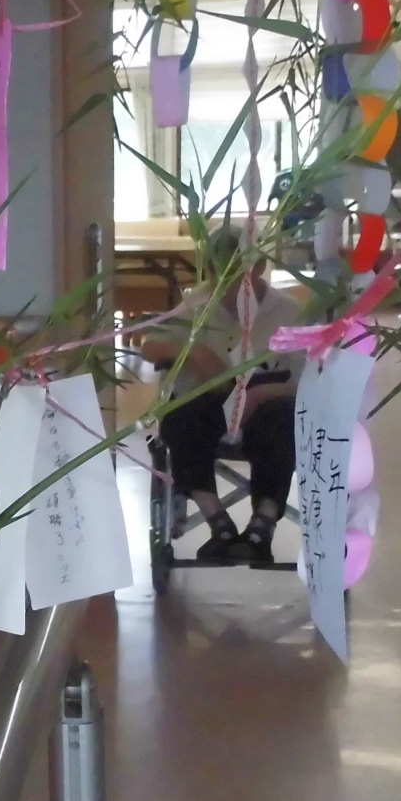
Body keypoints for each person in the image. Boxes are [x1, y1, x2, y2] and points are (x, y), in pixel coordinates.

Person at [140, 238, 304, 564]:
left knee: (284, 422)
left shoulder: (288, 310)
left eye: (239, 271)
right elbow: (148, 345)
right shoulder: (195, 304)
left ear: (259, 267)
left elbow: (308, 378)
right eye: (220, 272)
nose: (228, 281)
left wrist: (256, 394)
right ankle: (218, 523)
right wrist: (194, 352)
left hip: (270, 401)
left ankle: (262, 526)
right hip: (209, 399)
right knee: (179, 419)